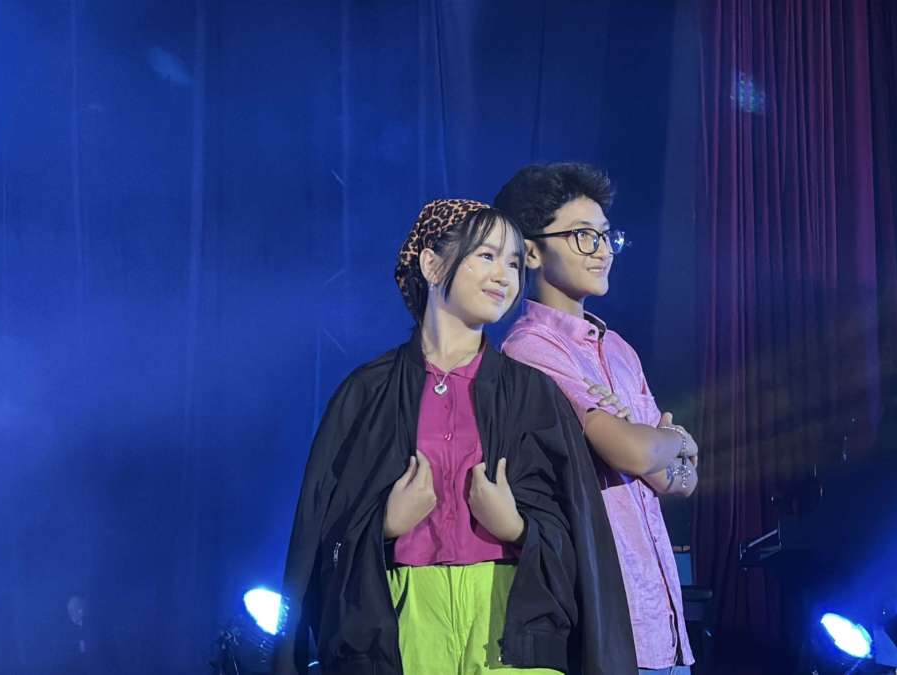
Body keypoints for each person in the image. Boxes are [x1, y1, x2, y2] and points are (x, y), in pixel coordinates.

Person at [274, 199, 635, 675]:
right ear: (432, 264)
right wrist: (383, 523)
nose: (504, 275)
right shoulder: (367, 393)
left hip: (513, 619)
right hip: (407, 617)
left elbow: (580, 533)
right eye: (486, 256)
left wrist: (516, 527)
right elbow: (321, 534)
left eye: (513, 263)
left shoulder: (533, 394)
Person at [496, 164, 699, 675]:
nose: (603, 251)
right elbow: (634, 453)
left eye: (607, 236)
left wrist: (660, 444)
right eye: (584, 236)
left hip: (664, 624)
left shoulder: (621, 350)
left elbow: (679, 481)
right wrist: (673, 439)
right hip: (607, 623)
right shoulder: (530, 348)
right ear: (532, 252)